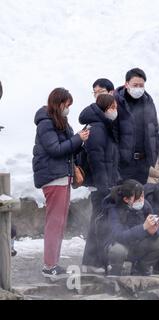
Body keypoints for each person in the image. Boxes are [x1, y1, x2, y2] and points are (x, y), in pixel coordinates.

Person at [32, 88, 90, 278]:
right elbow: (55, 149)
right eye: (66, 105)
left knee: (59, 222)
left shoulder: (59, 121)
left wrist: (79, 140)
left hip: (62, 177)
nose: (68, 109)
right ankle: (49, 266)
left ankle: (53, 264)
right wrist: (77, 139)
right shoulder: (46, 123)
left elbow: (67, 148)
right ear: (58, 103)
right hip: (53, 178)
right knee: (54, 223)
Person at [79, 94, 120, 273]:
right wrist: (104, 186)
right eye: (113, 107)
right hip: (100, 185)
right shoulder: (97, 128)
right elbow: (96, 159)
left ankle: (92, 261)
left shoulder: (103, 126)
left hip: (105, 183)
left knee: (99, 221)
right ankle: (93, 262)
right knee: (99, 223)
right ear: (105, 108)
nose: (115, 110)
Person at [98, 180, 159, 276]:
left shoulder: (145, 205)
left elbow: (156, 227)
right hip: (119, 245)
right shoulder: (114, 209)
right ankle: (115, 271)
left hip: (138, 244)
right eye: (138, 197)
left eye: (142, 196)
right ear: (126, 199)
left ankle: (141, 267)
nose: (142, 200)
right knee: (118, 250)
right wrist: (143, 228)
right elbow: (118, 236)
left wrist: (154, 231)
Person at [114, 68, 159, 184]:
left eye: (141, 85)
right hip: (123, 164)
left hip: (143, 163)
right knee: (123, 198)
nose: (138, 88)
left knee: (140, 198)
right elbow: (112, 133)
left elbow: (154, 129)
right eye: (135, 85)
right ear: (126, 84)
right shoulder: (116, 102)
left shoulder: (148, 102)